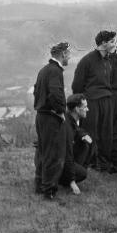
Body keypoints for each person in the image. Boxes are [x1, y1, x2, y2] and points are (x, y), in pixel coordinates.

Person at [33, 42, 74, 200]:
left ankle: (40, 185)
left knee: (43, 152)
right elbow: (56, 94)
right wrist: (60, 112)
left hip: (41, 116)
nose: (69, 57)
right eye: (69, 54)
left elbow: (37, 90)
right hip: (51, 117)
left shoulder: (44, 70)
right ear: (63, 54)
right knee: (53, 155)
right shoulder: (56, 71)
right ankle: (49, 190)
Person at [71, 30, 116, 171]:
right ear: (103, 43)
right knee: (91, 132)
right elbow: (77, 85)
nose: (115, 44)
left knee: (106, 133)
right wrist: (81, 104)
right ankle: (88, 163)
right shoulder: (87, 60)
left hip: (107, 100)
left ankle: (104, 163)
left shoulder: (108, 60)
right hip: (91, 101)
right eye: (112, 41)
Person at [60, 93, 96, 192]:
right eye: (85, 107)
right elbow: (67, 154)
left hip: (60, 160)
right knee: (82, 174)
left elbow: (77, 129)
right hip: (57, 162)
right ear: (76, 109)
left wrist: (83, 135)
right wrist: (72, 181)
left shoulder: (69, 119)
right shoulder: (67, 125)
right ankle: (65, 179)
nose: (87, 109)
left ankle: (73, 172)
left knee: (87, 143)